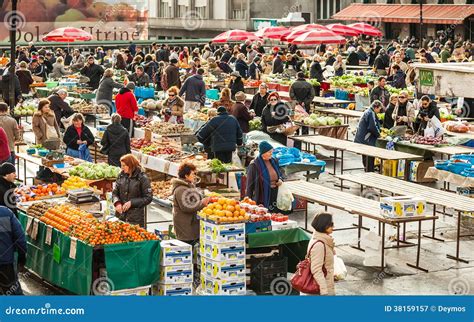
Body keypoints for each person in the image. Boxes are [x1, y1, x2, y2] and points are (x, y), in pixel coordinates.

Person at [171, 162, 209, 244]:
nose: (195, 176)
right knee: (187, 247)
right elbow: (186, 207)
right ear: (186, 175)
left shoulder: (188, 185)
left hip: (191, 223)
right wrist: (202, 203)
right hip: (185, 225)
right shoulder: (181, 189)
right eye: (193, 174)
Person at [113, 154, 152, 228]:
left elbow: (148, 198)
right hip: (120, 215)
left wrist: (132, 202)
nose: (122, 168)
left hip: (136, 218)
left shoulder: (142, 178)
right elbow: (115, 192)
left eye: (124, 165)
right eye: (121, 165)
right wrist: (117, 203)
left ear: (131, 165)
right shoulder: (121, 176)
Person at [245, 141, 283, 212]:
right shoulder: (254, 165)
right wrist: (248, 201)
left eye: (272, 151)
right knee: (265, 213)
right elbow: (249, 184)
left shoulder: (273, 161)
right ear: (263, 153)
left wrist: (280, 179)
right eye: (269, 152)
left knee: (275, 213)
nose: (271, 153)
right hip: (262, 194)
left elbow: (280, 174)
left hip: (275, 192)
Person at [0, 200, 27, 295]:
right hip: (5, 262)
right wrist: (22, 256)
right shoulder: (5, 213)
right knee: (12, 290)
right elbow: (20, 238)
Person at [306, 212, 335, 296]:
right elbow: (316, 270)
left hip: (326, 283)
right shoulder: (319, 244)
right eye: (331, 224)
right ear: (324, 225)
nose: (333, 227)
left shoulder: (323, 239)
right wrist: (324, 291)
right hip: (321, 289)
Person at [354, 100, 382, 172]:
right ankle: (369, 172)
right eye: (379, 109)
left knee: (365, 156)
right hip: (366, 138)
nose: (379, 111)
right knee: (369, 156)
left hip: (363, 138)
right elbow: (372, 127)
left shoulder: (368, 111)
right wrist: (379, 134)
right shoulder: (370, 113)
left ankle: (367, 170)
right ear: (376, 107)